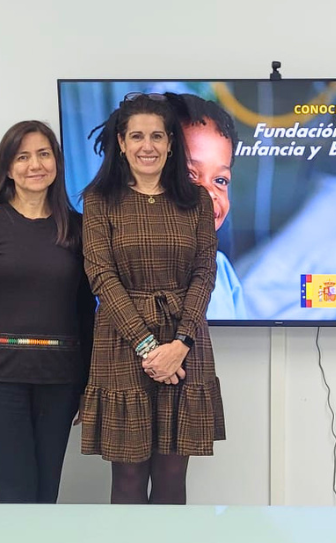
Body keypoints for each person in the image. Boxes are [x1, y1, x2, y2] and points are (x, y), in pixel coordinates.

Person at [80, 93, 225, 505]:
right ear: (121, 143)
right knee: (127, 475)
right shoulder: (99, 201)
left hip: (185, 342)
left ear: (171, 144)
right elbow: (101, 276)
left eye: (157, 136)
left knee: (172, 473)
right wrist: (150, 349)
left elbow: (204, 273)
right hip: (123, 345)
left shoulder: (196, 200)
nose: (148, 146)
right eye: (137, 136)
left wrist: (179, 346)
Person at [0, 120, 94, 503]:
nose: (35, 165)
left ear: (56, 162)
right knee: (14, 494)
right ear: (8, 166)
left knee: (46, 492)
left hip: (60, 379)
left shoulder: (79, 227)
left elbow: (86, 312)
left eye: (44, 154)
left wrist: (85, 385)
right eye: (23, 156)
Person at [170, 93, 247, 319]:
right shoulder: (128, 269)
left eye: (220, 180)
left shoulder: (220, 268)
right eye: (189, 175)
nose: (208, 193)